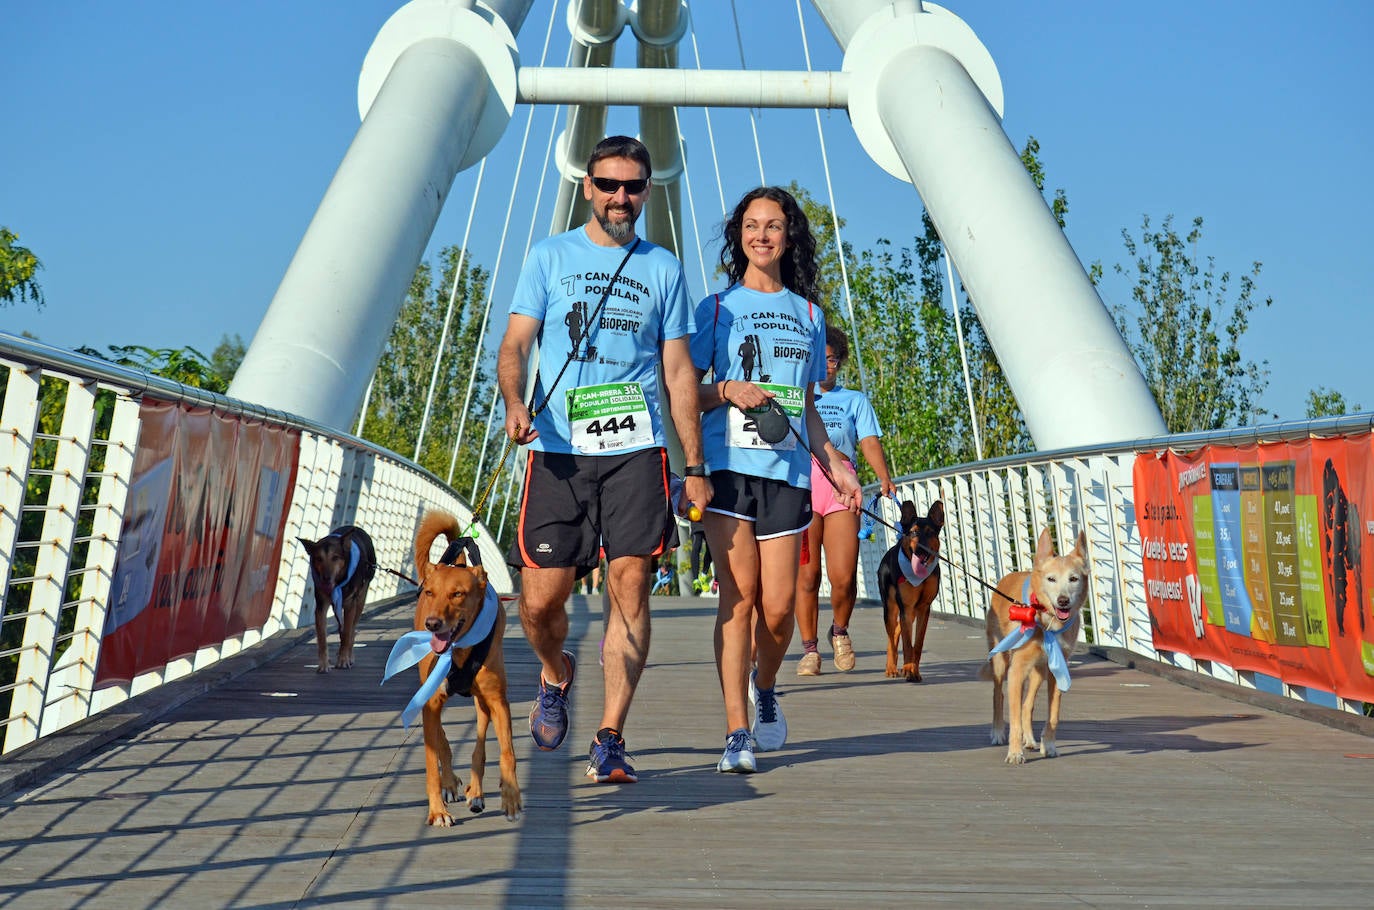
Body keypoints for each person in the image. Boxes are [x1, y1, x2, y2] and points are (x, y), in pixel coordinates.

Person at [497, 135, 712, 785]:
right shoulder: (549, 256)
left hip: (636, 453)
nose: (622, 197)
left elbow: (678, 374)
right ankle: (556, 674)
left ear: (649, 191)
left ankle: (611, 735)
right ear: (587, 186)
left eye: (634, 186)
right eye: (610, 184)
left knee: (630, 587)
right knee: (540, 604)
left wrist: (695, 466)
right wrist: (513, 401)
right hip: (558, 449)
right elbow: (514, 345)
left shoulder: (664, 269)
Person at [690, 186, 861, 774]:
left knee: (782, 610)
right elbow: (684, 391)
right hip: (730, 471)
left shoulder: (810, 315)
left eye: (774, 226)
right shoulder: (715, 310)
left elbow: (807, 408)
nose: (762, 235)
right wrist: (728, 390)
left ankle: (765, 687)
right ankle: (737, 732)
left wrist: (835, 465)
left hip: (788, 473)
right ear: (739, 235)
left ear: (790, 238)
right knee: (737, 603)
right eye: (752, 225)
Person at [795, 325, 897, 675]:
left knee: (843, 576)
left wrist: (883, 475)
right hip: (804, 485)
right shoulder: (798, 398)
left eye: (833, 359)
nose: (827, 366)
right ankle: (810, 649)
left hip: (841, 487)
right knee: (806, 576)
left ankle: (840, 631)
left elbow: (868, 440)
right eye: (820, 360)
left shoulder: (855, 400)